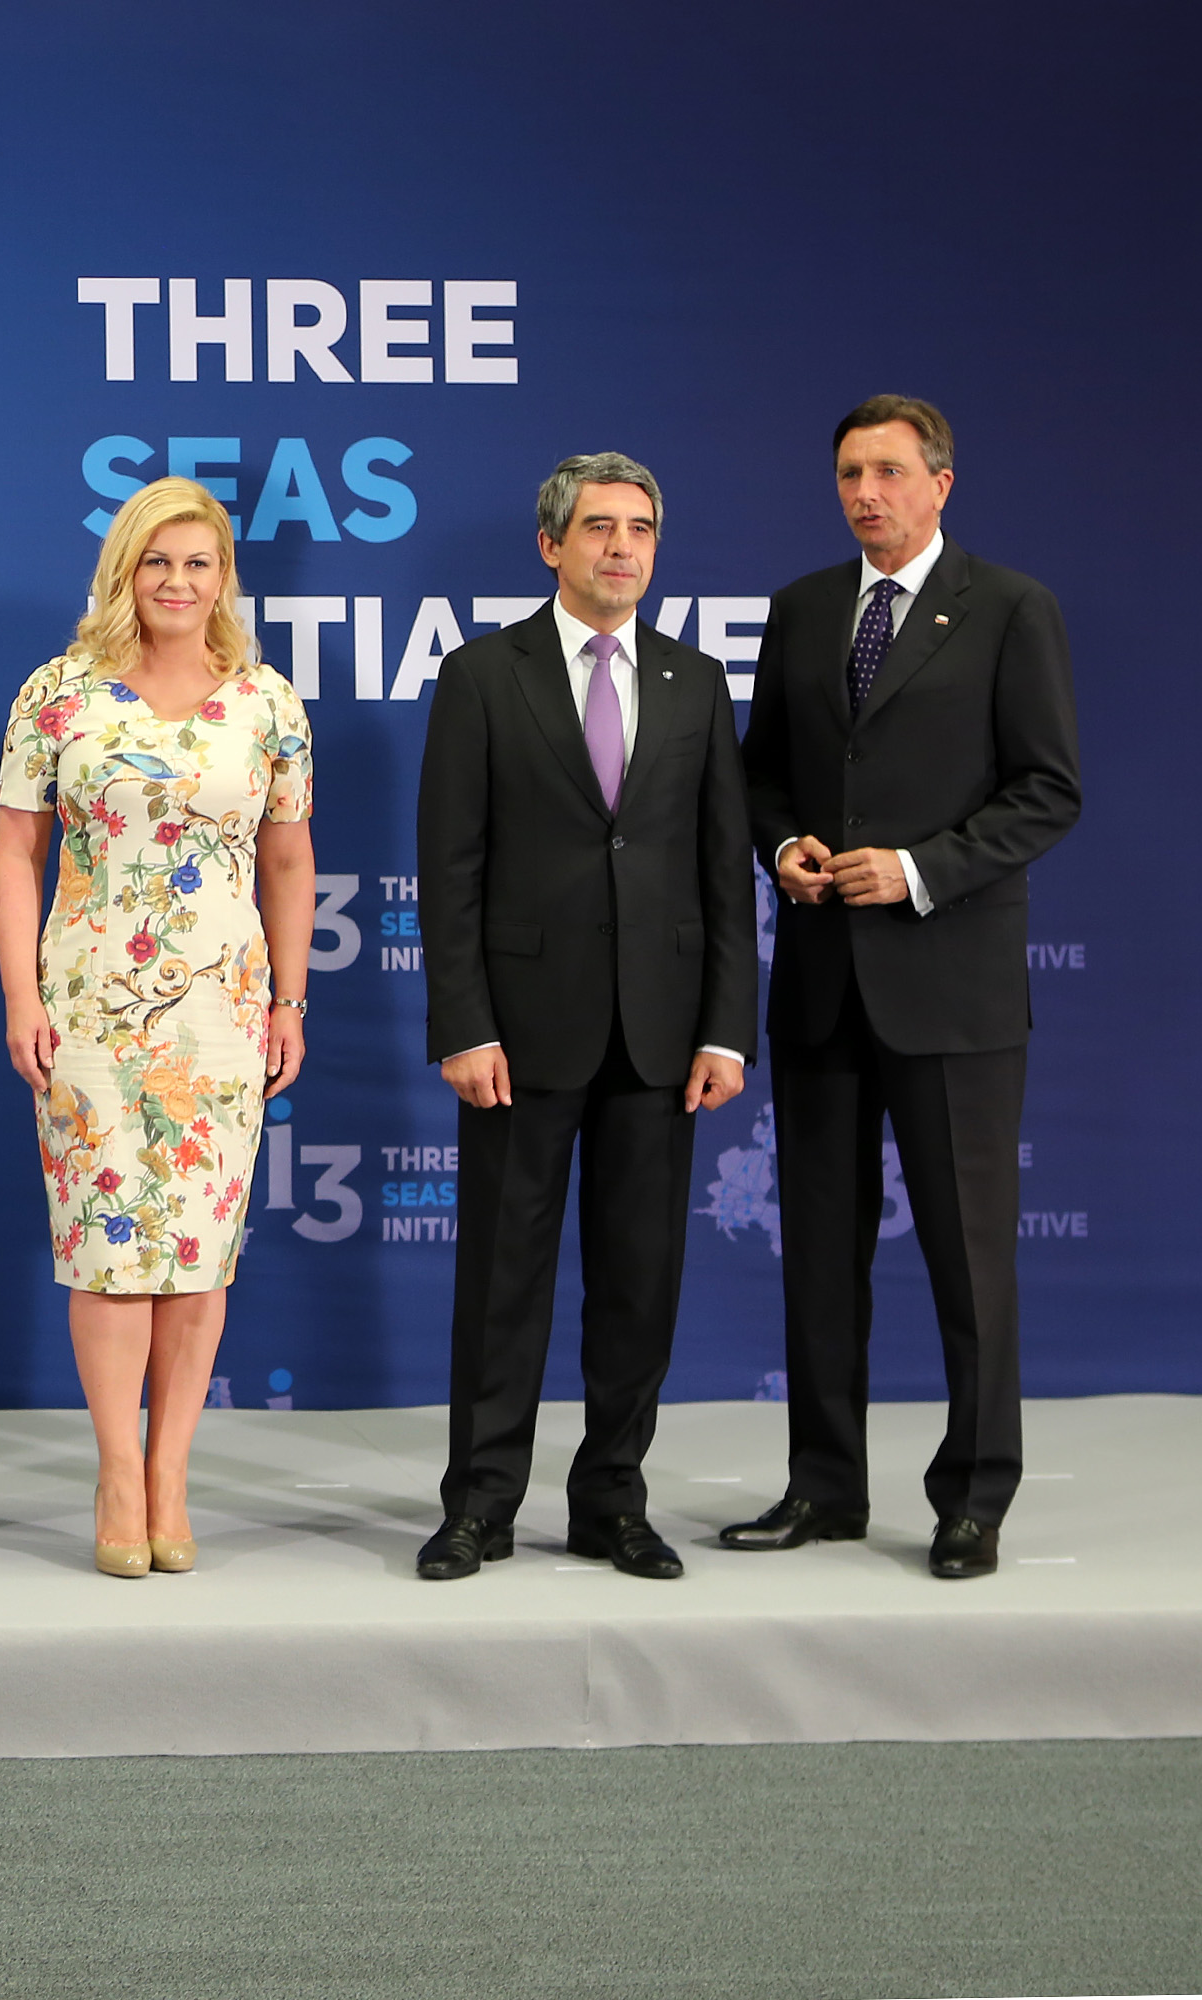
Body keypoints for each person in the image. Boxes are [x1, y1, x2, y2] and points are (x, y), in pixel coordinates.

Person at [721, 397, 1081, 1581]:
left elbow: (1047, 789)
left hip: (952, 991)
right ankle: (825, 1487)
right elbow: (762, 773)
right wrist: (786, 849)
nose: (864, 491)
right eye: (847, 473)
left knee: (970, 1260)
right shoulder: (803, 608)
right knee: (818, 1255)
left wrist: (922, 869)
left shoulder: (1010, 607)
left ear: (941, 482)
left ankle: (975, 1495)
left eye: (886, 470)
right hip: (823, 986)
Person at [411, 453, 757, 1584]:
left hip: (660, 1039)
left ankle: (612, 1499)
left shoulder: (697, 681)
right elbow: (448, 869)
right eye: (599, 527)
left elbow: (721, 872)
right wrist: (462, 1022)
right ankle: (480, 1504)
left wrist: (724, 1029)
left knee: (639, 1282)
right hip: (518, 1032)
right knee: (502, 1282)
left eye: (641, 528)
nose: (622, 546)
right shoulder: (481, 675)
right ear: (551, 544)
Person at [0, 478, 314, 1577]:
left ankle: (172, 1471)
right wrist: (21, 998)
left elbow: (287, 857)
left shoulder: (267, 701)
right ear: (124, 570)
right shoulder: (59, 694)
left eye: (200, 562)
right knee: (108, 1247)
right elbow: (14, 855)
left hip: (223, 1013)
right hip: (88, 1010)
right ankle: (116, 1469)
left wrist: (289, 1001)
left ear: (226, 575)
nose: (178, 581)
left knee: (197, 1257)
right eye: (157, 561)